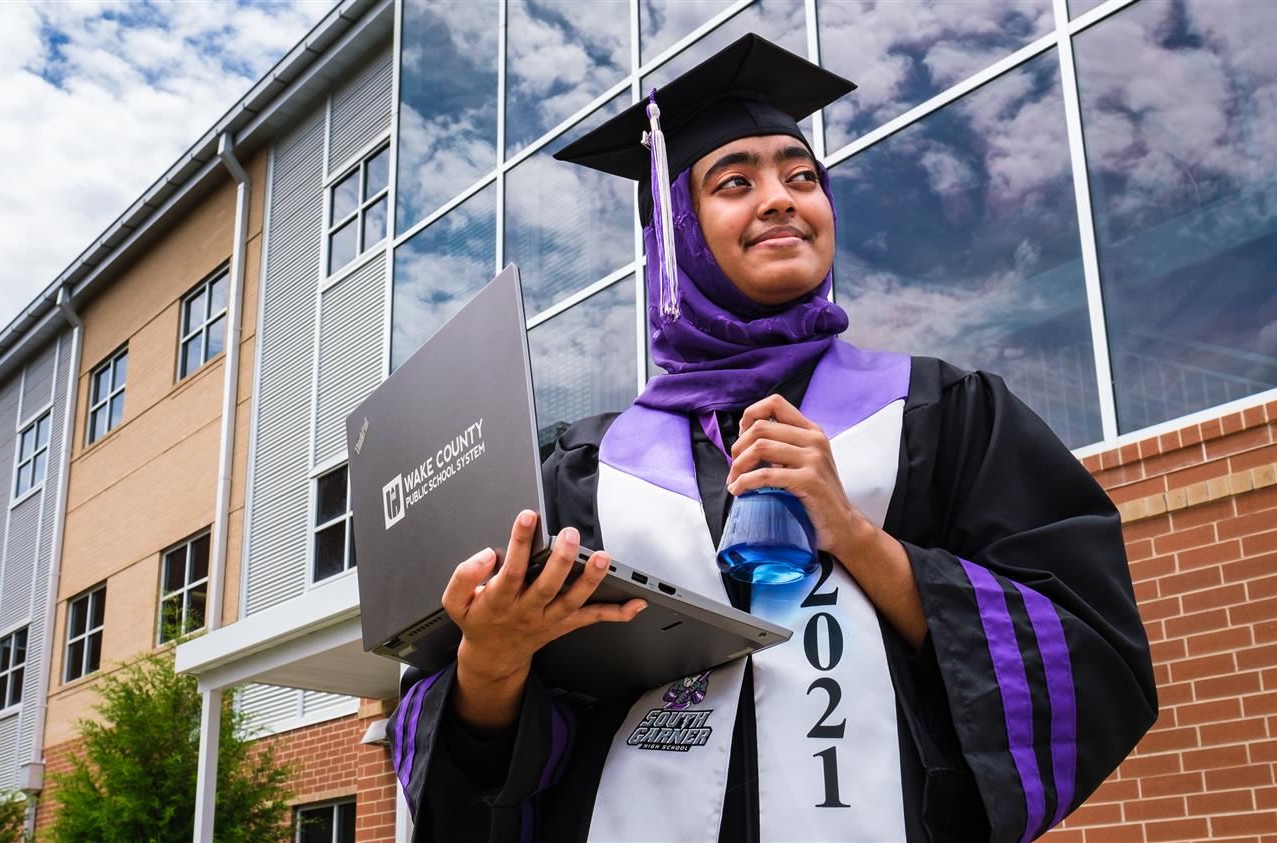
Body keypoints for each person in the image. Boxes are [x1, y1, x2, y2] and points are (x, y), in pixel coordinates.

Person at [388, 34, 1156, 843]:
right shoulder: (584, 472)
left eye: (803, 176)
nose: (783, 197)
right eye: (735, 181)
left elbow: (1084, 653)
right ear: (676, 231)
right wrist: (493, 661)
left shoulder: (942, 412)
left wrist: (859, 537)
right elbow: (477, 762)